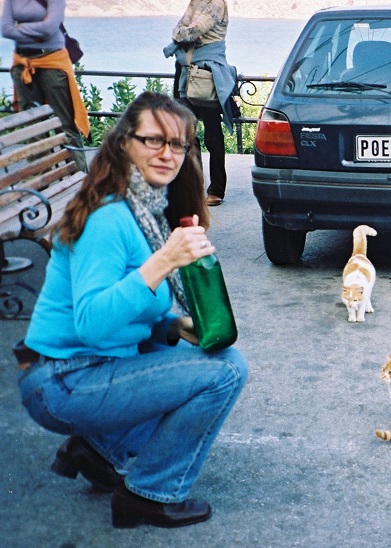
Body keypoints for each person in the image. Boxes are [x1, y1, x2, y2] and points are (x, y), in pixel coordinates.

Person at [13, 92, 248, 529]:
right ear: (124, 143)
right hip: (63, 379)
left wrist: (173, 326)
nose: (167, 153)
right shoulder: (110, 217)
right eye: (153, 140)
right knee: (227, 371)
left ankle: (100, 451)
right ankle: (150, 493)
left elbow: (135, 311)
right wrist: (162, 262)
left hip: (93, 369)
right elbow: (91, 321)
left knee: (205, 359)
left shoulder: (149, 213)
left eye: (178, 144)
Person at [1, 0, 90, 172]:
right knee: (33, 129)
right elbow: (6, 29)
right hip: (23, 64)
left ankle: (80, 177)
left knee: (65, 124)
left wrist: (19, 30)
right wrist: (37, 31)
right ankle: (42, 180)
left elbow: (50, 28)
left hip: (52, 61)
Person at [164, 0, 237, 206]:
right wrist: (182, 32)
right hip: (186, 75)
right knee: (188, 134)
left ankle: (216, 189)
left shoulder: (217, 4)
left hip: (207, 74)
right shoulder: (196, 1)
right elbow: (180, 28)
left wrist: (181, 33)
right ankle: (193, 187)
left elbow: (189, 33)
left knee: (212, 135)